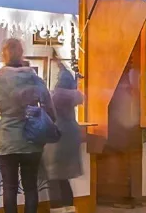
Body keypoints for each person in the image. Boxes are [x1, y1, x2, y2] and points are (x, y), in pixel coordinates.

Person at [0, 39, 56, 213]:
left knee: (10, 188)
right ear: (22, 53)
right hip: (32, 140)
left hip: (7, 140)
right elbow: (50, 110)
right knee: (31, 187)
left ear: (4, 54)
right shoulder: (34, 78)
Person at [43, 58, 84, 213]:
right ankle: (70, 209)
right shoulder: (73, 97)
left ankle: (57, 210)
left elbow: (46, 114)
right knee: (64, 178)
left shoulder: (56, 96)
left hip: (56, 140)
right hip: (71, 137)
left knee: (53, 178)